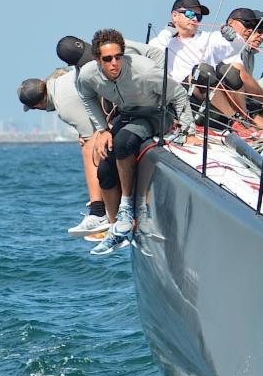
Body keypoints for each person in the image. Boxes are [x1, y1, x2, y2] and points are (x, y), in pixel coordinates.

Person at [77, 28, 198, 255]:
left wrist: (189, 131)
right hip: (128, 113)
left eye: (118, 57)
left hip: (158, 114)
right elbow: (86, 96)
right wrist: (102, 129)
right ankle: (116, 229)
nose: (114, 63)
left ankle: (126, 209)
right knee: (104, 169)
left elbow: (178, 94)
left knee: (123, 142)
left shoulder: (144, 72)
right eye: (107, 59)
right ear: (97, 60)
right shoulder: (87, 75)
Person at [148, 0, 263, 134]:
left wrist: (233, 38)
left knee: (230, 72)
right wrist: (168, 31)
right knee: (203, 70)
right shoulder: (165, 41)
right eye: (190, 14)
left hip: (211, 90)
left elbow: (236, 48)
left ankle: (242, 120)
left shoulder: (207, 37)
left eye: (199, 16)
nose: (195, 19)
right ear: (175, 15)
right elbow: (153, 53)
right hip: (183, 93)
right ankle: (234, 121)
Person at [17, 73, 108, 236]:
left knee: (88, 149)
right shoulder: (62, 80)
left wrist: (87, 138)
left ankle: (99, 212)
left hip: (121, 111)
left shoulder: (63, 106)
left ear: (37, 105)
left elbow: (94, 136)